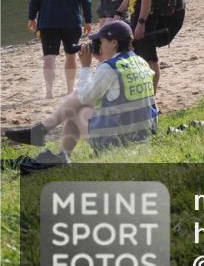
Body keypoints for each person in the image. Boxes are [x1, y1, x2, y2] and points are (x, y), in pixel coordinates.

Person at [2, 21, 157, 172]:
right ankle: (54, 146)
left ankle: (43, 134)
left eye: (102, 41)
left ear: (114, 43)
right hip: (144, 134)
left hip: (119, 141)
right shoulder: (141, 62)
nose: (100, 46)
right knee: (77, 107)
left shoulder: (109, 68)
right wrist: (103, 61)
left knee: (74, 108)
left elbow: (85, 97)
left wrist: (85, 67)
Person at [28, 0, 93, 98]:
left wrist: (31, 17)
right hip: (71, 21)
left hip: (48, 21)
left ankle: (49, 92)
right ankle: (69, 90)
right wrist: (88, 20)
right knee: (71, 54)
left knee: (49, 56)